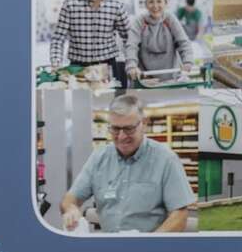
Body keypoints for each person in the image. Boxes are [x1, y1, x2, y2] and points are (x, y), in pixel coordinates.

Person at [61, 94, 196, 232]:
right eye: (115, 129)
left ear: (144, 124)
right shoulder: (99, 158)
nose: (121, 136)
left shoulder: (166, 159)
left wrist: (149, 246)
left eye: (128, 129)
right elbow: (70, 198)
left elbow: (180, 215)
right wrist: (71, 209)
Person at [49, 0, 132, 88]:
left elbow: (129, 38)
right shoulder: (70, 5)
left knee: (107, 103)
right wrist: (56, 63)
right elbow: (58, 39)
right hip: (77, 67)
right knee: (81, 104)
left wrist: (132, 63)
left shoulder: (116, 5)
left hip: (107, 66)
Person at [126, 0, 194, 80]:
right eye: (151, 2)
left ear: (165, 3)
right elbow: (131, 46)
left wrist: (187, 62)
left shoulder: (170, 19)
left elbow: (184, 43)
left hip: (171, 77)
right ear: (146, 5)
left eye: (159, 1)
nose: (155, 6)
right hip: (146, 79)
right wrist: (131, 66)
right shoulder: (139, 21)